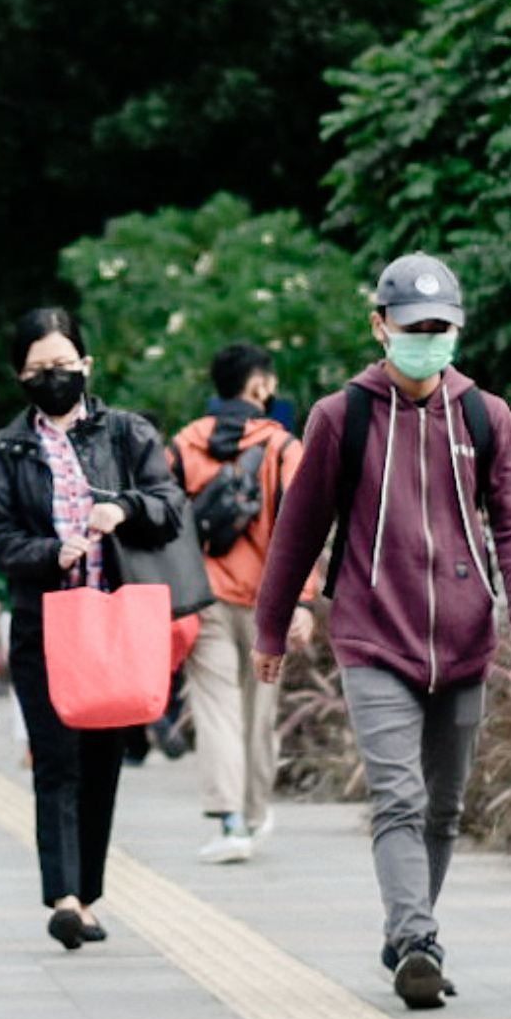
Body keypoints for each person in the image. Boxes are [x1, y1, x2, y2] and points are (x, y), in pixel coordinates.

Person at [253, 253, 511, 1010]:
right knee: (398, 797)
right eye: (414, 327)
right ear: (379, 326)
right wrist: (271, 628)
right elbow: (298, 531)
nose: (428, 340)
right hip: (371, 636)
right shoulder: (340, 416)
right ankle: (419, 940)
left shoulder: (486, 417)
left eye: (441, 328)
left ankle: (405, 923)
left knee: (445, 808)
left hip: (464, 641)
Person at [0, 307, 188, 952]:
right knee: (57, 762)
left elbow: (170, 504)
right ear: (20, 375)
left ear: (86, 365)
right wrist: (48, 553)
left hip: (118, 623)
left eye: (64, 364)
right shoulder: (12, 447)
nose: (54, 377)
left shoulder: (126, 433)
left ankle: (87, 894)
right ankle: (63, 898)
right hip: (46, 627)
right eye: (40, 368)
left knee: (103, 763)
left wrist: (120, 507)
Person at [171, 344, 313, 863]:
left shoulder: (185, 443)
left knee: (216, 711)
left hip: (203, 598)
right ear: (258, 386)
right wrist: (302, 602)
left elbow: (168, 523)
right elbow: (304, 530)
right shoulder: (283, 447)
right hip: (268, 604)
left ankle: (230, 821)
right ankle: (252, 817)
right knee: (258, 712)